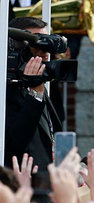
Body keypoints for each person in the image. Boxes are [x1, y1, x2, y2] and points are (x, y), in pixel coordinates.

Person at [4, 16, 62, 169]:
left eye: (47, 44)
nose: (45, 53)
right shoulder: (6, 91)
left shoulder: (40, 85)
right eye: (36, 44)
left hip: (48, 181)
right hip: (22, 185)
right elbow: (15, 142)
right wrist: (35, 94)